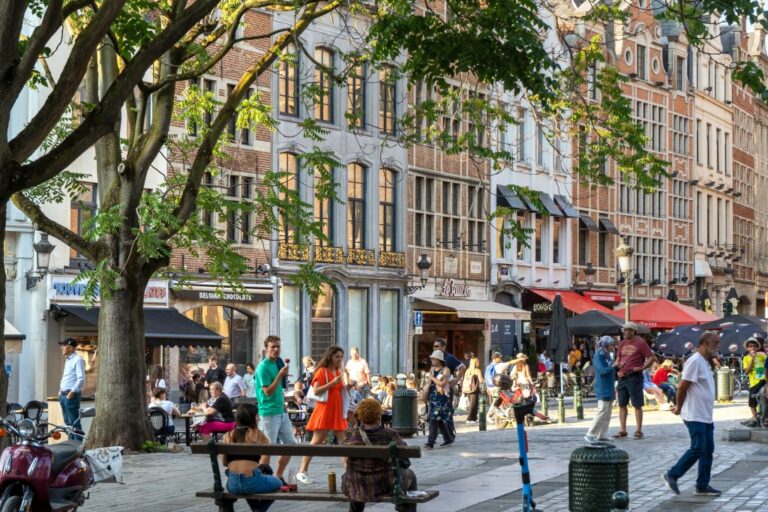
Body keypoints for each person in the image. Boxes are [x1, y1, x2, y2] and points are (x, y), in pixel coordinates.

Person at [663, 332, 721, 497]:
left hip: (705, 414)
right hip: (694, 413)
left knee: (708, 449)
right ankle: (672, 474)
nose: (718, 346)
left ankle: (702, 484)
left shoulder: (705, 362)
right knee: (698, 448)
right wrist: (679, 407)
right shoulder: (695, 361)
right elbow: (682, 386)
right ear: (705, 343)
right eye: (715, 343)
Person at [343, 399, 418, 512]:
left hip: (357, 485)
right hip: (385, 485)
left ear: (359, 416)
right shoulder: (390, 434)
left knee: (353, 475)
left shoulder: (350, 435)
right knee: (411, 474)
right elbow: (405, 459)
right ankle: (404, 508)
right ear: (379, 415)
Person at [297, 346, 349, 484]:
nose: (339, 359)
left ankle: (349, 472)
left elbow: (339, 390)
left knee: (343, 442)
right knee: (316, 442)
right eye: (337, 356)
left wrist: (348, 386)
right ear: (330, 357)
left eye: (341, 357)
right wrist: (332, 383)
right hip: (325, 410)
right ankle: (302, 471)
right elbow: (317, 390)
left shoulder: (337, 371)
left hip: (337, 411)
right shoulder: (322, 371)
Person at [221, 403, 282, 512]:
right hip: (251, 482)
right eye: (258, 416)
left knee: (251, 485)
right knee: (279, 484)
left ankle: (256, 508)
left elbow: (225, 463)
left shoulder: (228, 435)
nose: (259, 419)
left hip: (232, 484)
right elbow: (265, 461)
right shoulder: (259, 434)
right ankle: (259, 509)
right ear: (254, 418)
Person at [255, 335, 294, 481]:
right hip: (268, 413)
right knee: (268, 449)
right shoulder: (263, 367)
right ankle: (262, 479)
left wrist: (283, 404)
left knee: (291, 445)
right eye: (273, 347)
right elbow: (267, 391)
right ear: (266, 349)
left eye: (278, 346)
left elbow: (278, 389)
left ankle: (278, 475)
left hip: (281, 411)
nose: (276, 350)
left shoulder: (277, 363)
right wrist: (279, 375)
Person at [613, 322, 655, 439]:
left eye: (627, 330)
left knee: (637, 404)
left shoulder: (641, 343)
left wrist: (642, 368)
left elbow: (652, 357)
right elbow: (618, 358)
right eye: (624, 330)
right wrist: (617, 366)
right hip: (622, 376)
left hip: (634, 376)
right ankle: (622, 430)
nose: (624, 332)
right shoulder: (622, 343)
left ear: (633, 331)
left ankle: (638, 430)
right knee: (622, 404)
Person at [585, 336, 617, 443]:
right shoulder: (598, 355)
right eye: (612, 344)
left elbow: (610, 368)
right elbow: (602, 370)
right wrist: (614, 366)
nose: (613, 346)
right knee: (602, 410)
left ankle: (602, 434)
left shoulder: (607, 355)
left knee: (607, 412)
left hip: (609, 386)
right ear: (606, 345)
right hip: (603, 386)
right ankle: (591, 433)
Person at [433, 338, 466, 435]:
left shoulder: (449, 358)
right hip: (435, 390)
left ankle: (449, 434)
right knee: (435, 413)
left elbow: (463, 367)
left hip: (446, 389)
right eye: (434, 346)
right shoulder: (434, 357)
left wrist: (456, 380)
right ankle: (438, 436)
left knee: (447, 412)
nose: (435, 348)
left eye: (437, 346)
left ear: (443, 347)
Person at [424, 350, 454, 449]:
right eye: (431, 358)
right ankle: (448, 438)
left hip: (442, 398)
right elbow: (429, 383)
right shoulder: (432, 369)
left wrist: (432, 377)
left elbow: (442, 384)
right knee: (439, 419)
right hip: (433, 397)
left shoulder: (446, 370)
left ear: (439, 359)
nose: (432, 360)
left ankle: (430, 443)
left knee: (434, 419)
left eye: (434, 358)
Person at [58, 337, 85, 440]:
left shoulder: (78, 360)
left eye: (63, 346)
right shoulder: (68, 360)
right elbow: (69, 377)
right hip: (64, 394)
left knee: (75, 423)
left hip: (70, 395)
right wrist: (61, 390)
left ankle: (78, 448)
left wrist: (72, 392)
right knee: (68, 423)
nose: (61, 348)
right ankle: (71, 447)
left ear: (70, 348)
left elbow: (81, 379)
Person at [741, 337, 766, 427]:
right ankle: (755, 419)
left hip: (763, 381)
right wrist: (752, 359)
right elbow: (747, 371)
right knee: (752, 403)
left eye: (754, 346)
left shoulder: (762, 355)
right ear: (747, 348)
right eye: (750, 346)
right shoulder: (746, 358)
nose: (752, 348)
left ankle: (763, 418)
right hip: (753, 383)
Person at [462, 357, 484, 424]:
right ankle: (469, 418)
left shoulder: (467, 370)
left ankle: (474, 418)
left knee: (472, 404)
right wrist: (483, 380)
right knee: (473, 404)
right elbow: (481, 380)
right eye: (478, 361)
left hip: (468, 389)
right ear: (475, 363)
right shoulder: (477, 370)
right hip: (474, 389)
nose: (479, 363)